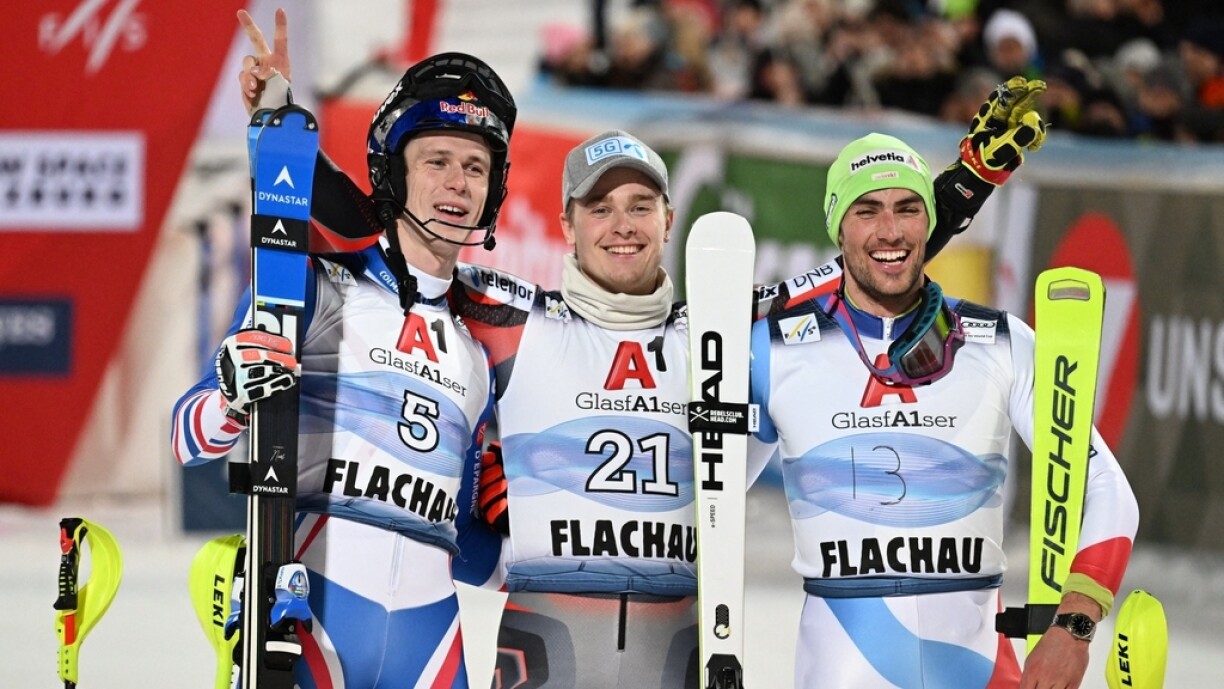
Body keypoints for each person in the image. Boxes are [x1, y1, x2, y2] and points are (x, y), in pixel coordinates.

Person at [233, 11, 1049, 687]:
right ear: (568, 226)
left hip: (676, 650)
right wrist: (279, 131)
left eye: (641, 204)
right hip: (542, 649)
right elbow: (393, 232)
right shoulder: (511, 315)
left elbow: (871, 257)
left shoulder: (719, 334)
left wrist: (969, 179)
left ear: (670, 219)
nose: (621, 223)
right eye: (599, 206)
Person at [172, 10, 514, 687]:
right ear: (394, 174)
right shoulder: (317, 288)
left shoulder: (479, 351)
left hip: (434, 649)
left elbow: (471, 555)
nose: (457, 183)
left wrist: (529, 533)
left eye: (476, 166)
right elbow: (188, 437)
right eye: (437, 161)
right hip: (309, 621)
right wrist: (232, 401)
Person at [748, 132, 1140, 689]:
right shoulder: (772, 350)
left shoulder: (1002, 342)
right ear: (838, 226)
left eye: (909, 209)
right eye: (868, 211)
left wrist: (1073, 626)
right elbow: (703, 504)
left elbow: (1106, 486)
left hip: (983, 671)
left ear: (930, 223)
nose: (891, 230)